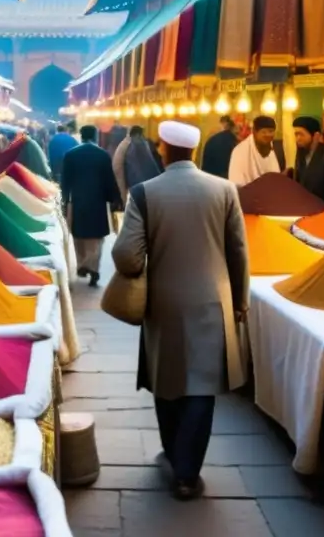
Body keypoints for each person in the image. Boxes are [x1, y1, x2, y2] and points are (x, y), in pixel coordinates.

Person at [112, 120, 249, 500]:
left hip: (164, 302)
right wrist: (240, 300)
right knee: (201, 387)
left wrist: (138, 266)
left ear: (162, 148)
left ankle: (173, 452)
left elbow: (126, 255)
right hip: (213, 301)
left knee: (166, 380)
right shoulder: (224, 190)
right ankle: (188, 475)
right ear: (194, 151)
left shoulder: (144, 192)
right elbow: (238, 250)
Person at [61, 125, 121, 287]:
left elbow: (65, 182)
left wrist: (64, 201)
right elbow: (110, 180)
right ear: (95, 136)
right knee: (96, 239)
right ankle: (93, 268)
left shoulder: (71, 155)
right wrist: (114, 199)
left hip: (78, 201)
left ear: (81, 135)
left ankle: (82, 265)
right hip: (98, 202)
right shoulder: (103, 155)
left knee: (78, 236)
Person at [112, 126, 161, 202]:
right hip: (144, 189)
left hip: (130, 190)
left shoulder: (124, 145)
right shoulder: (139, 144)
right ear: (138, 134)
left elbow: (117, 169)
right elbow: (149, 169)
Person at [228, 116, 280, 186]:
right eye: (264, 132)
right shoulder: (240, 151)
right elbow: (237, 181)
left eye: (271, 131)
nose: (268, 135)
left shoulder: (271, 148)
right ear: (255, 132)